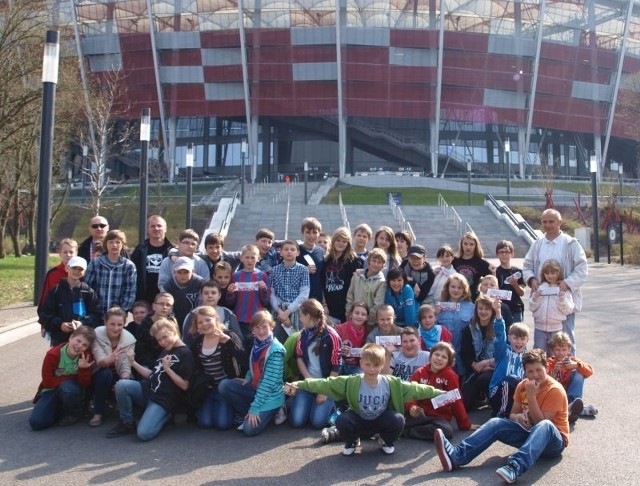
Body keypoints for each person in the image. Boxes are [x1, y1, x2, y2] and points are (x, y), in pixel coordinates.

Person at [434, 349, 569, 485]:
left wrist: (531, 396)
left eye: (539, 370)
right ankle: (456, 456)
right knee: (496, 422)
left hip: (553, 442)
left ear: (546, 368)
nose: (535, 375)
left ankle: (514, 468)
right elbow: (512, 414)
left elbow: (541, 423)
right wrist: (518, 418)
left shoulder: (554, 390)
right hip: (529, 434)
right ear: (525, 372)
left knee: (545, 425)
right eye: (530, 371)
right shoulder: (523, 385)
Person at [288, 343, 444, 456]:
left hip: (381, 419)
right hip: (359, 419)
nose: (372, 369)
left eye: (376, 365)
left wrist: (439, 393)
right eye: (367, 364)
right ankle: (352, 441)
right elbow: (325, 384)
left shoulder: (391, 383)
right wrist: (299, 384)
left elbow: (417, 389)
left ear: (382, 365)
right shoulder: (352, 381)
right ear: (361, 364)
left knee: (398, 419)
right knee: (342, 420)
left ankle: (386, 440)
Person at [106, 318, 194, 441]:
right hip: (147, 390)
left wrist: (168, 369)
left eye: (165, 337)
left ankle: (166, 416)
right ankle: (127, 422)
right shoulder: (165, 351)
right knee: (122, 385)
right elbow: (153, 374)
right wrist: (132, 362)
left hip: (163, 400)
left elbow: (185, 385)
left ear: (174, 331)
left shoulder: (186, 353)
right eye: (159, 340)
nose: (162, 342)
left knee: (144, 434)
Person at [523, 208, 587, 352]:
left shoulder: (571, 243)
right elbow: (527, 266)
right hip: (543, 307)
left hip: (563, 303)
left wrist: (566, 283)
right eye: (544, 222)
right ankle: (542, 374)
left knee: (564, 345)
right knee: (541, 348)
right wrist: (532, 279)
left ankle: (567, 373)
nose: (547, 225)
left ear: (560, 222)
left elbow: (582, 270)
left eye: (551, 221)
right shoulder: (537, 244)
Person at [218, 310, 286, 436]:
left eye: (264, 327)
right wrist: (248, 378)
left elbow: (268, 383)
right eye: (257, 327)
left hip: (271, 396)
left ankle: (274, 410)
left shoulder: (275, 350)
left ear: (272, 327)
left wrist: (255, 408)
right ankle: (250, 414)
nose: (261, 331)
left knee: (249, 430)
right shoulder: (257, 343)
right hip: (256, 389)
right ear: (253, 329)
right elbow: (253, 365)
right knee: (224, 385)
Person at [187, 306, 246, 430]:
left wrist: (230, 343)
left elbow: (244, 360)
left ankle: (234, 410)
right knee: (205, 423)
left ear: (216, 319)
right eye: (200, 322)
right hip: (209, 389)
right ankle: (211, 408)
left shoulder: (229, 335)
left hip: (225, 387)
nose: (204, 324)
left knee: (222, 424)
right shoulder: (197, 342)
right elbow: (195, 368)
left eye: (208, 320)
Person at [29, 326, 96, 430]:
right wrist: (72, 378)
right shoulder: (53, 354)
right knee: (37, 423)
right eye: (78, 341)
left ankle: (73, 413)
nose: (79, 346)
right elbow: (48, 382)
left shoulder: (85, 357)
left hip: (71, 391)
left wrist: (83, 370)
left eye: (84, 345)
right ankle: (58, 409)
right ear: (70, 337)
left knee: (67, 387)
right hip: (51, 390)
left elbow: (84, 384)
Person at [289, 299, 342, 429]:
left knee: (317, 423)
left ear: (308, 316)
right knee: (296, 421)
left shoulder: (332, 336)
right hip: (309, 381)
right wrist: (309, 380)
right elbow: (299, 357)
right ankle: (306, 403)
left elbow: (337, 365)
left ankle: (335, 407)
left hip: (326, 383)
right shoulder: (303, 334)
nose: (300, 319)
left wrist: (324, 390)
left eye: (301, 315)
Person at [404, 342, 471, 440]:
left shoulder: (450, 376)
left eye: (444, 357)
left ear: (448, 362)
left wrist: (464, 424)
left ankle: (407, 432)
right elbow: (410, 394)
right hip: (419, 414)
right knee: (398, 421)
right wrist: (411, 406)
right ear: (430, 356)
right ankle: (406, 428)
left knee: (446, 432)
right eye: (437, 354)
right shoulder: (419, 372)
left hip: (438, 417)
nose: (439, 358)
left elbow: (456, 401)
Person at [38, 255, 101, 346]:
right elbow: (45, 314)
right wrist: (60, 324)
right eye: (74, 268)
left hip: (82, 340)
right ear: (67, 268)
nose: (76, 271)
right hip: (59, 339)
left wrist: (82, 323)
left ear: (85, 272)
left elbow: (96, 316)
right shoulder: (56, 291)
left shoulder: (88, 292)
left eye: (80, 269)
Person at [90, 307, 137, 427]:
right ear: (105, 322)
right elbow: (99, 360)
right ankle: (98, 412)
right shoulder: (97, 333)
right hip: (99, 373)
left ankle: (124, 414)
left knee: (127, 382)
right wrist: (108, 359)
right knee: (105, 373)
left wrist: (123, 381)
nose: (116, 328)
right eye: (112, 324)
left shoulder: (129, 339)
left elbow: (126, 366)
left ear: (124, 324)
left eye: (120, 324)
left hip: (118, 374)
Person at [85, 229, 137, 318]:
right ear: (106, 244)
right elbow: (88, 287)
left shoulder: (129, 266)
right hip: (97, 313)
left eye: (118, 242)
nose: (114, 245)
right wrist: (92, 308)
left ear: (123, 245)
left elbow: (130, 292)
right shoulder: (95, 263)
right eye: (111, 242)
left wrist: (122, 311)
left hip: (118, 315)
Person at [226, 244, 270, 348]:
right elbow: (230, 302)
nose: (250, 260)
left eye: (253, 257)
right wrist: (229, 293)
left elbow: (266, 301)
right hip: (240, 318)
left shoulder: (262, 276)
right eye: (247, 257)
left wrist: (264, 290)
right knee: (242, 347)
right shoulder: (235, 276)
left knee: (256, 347)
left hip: (256, 320)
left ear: (258, 258)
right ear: (241, 258)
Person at [547, 331, 597, 422]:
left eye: (564, 350)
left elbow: (590, 371)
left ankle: (573, 404)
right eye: (557, 350)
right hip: (555, 396)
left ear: (569, 349)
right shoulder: (549, 363)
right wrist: (553, 373)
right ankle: (576, 410)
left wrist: (576, 365)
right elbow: (544, 384)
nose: (561, 353)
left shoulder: (572, 360)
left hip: (569, 394)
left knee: (579, 372)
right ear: (552, 350)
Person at [460, 295, 497, 410]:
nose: (483, 312)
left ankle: (491, 398)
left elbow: (503, 353)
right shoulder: (469, 328)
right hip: (475, 369)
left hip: (492, 369)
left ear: (492, 311)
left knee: (484, 379)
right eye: (480, 308)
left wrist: (487, 364)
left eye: (487, 309)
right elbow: (465, 353)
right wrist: (474, 365)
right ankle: (479, 397)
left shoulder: (498, 327)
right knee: (465, 404)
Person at [529, 258, 575, 354]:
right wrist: (536, 298)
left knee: (555, 355)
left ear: (558, 273)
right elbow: (532, 308)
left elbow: (568, 310)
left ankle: (555, 370)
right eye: (547, 273)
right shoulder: (540, 287)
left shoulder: (563, 289)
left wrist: (562, 298)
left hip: (556, 329)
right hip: (540, 328)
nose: (550, 276)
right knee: (538, 355)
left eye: (553, 273)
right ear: (543, 274)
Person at [270, 240, 310, 344]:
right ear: (281, 252)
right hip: (278, 313)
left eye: (292, 249)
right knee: (277, 342)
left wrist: (287, 312)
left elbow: (304, 294)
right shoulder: (274, 270)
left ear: (297, 253)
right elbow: (271, 293)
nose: (289, 252)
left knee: (297, 343)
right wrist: (280, 312)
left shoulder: (303, 270)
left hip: (297, 312)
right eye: (286, 249)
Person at [489, 320, 530, 418]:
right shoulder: (503, 351)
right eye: (515, 338)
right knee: (511, 379)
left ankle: (524, 413)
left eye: (522, 338)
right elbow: (499, 337)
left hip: (518, 396)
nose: (519, 342)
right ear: (509, 338)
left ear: (527, 340)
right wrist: (498, 316)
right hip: (498, 394)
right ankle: (502, 413)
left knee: (527, 384)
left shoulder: (528, 357)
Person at [182, 280, 242, 347]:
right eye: (206, 293)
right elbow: (186, 341)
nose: (210, 296)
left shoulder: (228, 314)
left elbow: (238, 339)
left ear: (219, 295)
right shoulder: (192, 315)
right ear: (201, 295)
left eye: (213, 293)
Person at [130, 215, 175, 304]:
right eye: (152, 226)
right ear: (147, 229)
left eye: (159, 226)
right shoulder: (140, 250)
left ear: (165, 229)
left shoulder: (173, 251)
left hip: (166, 299)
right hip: (144, 299)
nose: (156, 228)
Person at [322, 226, 362, 323]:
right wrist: (324, 305)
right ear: (333, 240)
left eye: (344, 241)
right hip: (329, 309)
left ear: (348, 243)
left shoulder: (353, 260)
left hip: (346, 309)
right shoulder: (325, 260)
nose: (341, 243)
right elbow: (322, 284)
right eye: (338, 240)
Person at [435, 274, 475, 374]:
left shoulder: (471, 307)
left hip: (464, 355)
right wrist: (435, 314)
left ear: (464, 290)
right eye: (453, 287)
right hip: (444, 355)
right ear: (447, 287)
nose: (456, 290)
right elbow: (432, 329)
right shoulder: (439, 306)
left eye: (459, 287)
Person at [133, 293, 177, 370]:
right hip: (149, 365)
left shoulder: (173, 323)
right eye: (161, 304)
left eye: (168, 305)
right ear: (153, 306)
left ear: (171, 308)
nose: (164, 307)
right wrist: (157, 364)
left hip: (170, 363)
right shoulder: (144, 326)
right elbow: (141, 353)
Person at [346, 248, 387, 325]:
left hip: (369, 322)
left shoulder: (382, 282)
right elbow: (350, 295)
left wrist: (366, 319)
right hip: (353, 318)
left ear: (383, 265)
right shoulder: (357, 276)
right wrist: (349, 313)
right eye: (373, 261)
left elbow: (378, 304)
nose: (375, 264)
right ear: (369, 262)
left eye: (379, 262)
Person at [163, 256, 204, 327]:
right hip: (175, 319)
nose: (183, 275)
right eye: (179, 272)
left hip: (197, 319)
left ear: (193, 271)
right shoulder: (168, 285)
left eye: (186, 272)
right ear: (174, 272)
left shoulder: (201, 283)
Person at [452, 231, 494, 300]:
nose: (468, 247)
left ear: (476, 246)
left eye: (471, 244)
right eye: (465, 244)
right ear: (461, 244)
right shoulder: (454, 260)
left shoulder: (481, 263)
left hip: (472, 300)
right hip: (455, 299)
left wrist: (493, 273)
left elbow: (493, 280)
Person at [38, 238, 78, 307]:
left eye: (71, 252)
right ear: (60, 254)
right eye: (65, 252)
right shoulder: (52, 274)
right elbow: (45, 297)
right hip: (56, 313)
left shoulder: (81, 273)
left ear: (76, 253)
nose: (68, 255)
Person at [334, 302, 370, 375]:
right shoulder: (339, 329)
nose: (359, 316)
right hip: (339, 363)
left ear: (367, 318)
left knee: (361, 376)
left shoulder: (368, 331)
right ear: (351, 314)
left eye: (363, 314)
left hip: (358, 365)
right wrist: (340, 349)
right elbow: (330, 348)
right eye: (357, 313)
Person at [495, 240, 525, 322]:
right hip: (501, 309)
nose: (504, 254)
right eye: (501, 252)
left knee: (516, 333)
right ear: (497, 254)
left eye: (507, 252)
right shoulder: (495, 272)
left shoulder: (518, 272)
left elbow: (522, 293)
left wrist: (515, 284)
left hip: (515, 309)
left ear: (512, 254)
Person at [296, 217, 325, 302]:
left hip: (317, 297)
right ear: (302, 232)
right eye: (308, 232)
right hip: (298, 297)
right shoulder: (296, 251)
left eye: (315, 232)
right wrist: (304, 270)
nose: (311, 236)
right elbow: (287, 273)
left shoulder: (321, 252)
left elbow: (323, 277)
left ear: (319, 233)